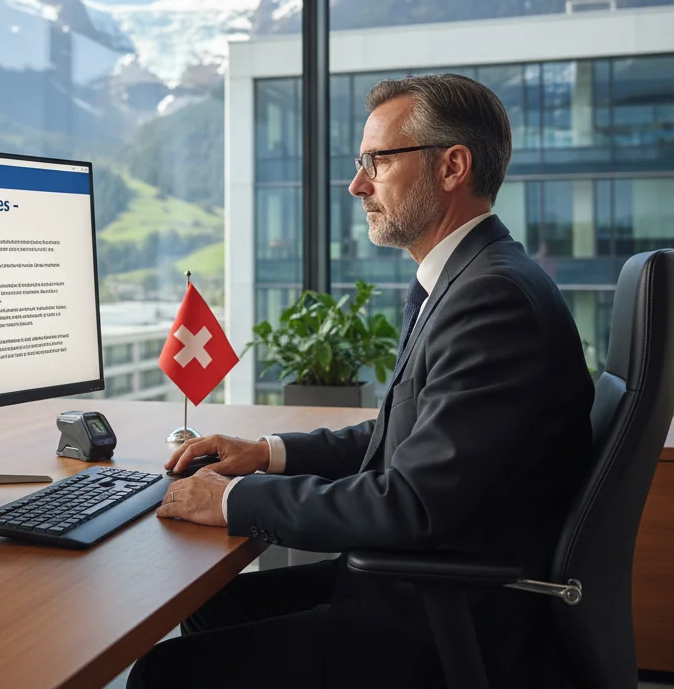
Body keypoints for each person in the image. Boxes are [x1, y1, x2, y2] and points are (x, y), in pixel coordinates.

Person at [128, 73, 594, 689]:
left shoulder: (492, 299)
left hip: (447, 619)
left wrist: (230, 500)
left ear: (453, 166)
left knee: (164, 674)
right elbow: (413, 438)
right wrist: (269, 454)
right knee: (214, 604)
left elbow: (413, 502)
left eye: (377, 161)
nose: (356, 185)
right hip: (426, 583)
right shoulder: (466, 279)